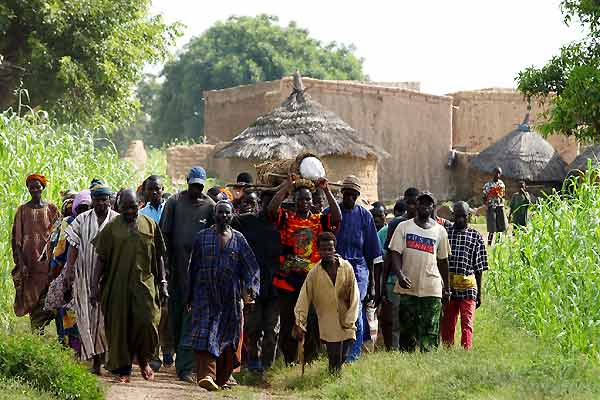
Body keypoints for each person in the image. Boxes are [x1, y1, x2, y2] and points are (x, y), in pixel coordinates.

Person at [91, 189, 168, 383]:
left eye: (133, 207)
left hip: (145, 284)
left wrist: (163, 282)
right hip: (117, 285)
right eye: (125, 208)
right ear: (119, 207)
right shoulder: (111, 228)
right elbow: (100, 259)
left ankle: (143, 359)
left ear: (139, 205)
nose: (130, 212)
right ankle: (123, 370)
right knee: (120, 328)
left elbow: (159, 256)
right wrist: (94, 287)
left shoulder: (150, 225)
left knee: (148, 321)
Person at [186, 200, 260, 391]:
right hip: (205, 293)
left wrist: (251, 288)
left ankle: (221, 378)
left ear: (232, 214)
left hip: (230, 298)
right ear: (214, 215)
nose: (223, 216)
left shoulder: (239, 239)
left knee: (228, 337)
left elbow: (251, 267)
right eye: (220, 213)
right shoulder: (202, 237)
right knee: (205, 333)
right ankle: (207, 375)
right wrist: (189, 296)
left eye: (227, 213)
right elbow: (193, 268)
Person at [267, 177, 341, 365]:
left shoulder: (319, 221)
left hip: (313, 282)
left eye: (308, 199)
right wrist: (286, 187)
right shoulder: (285, 218)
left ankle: (310, 360)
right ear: (294, 201)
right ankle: (290, 361)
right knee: (288, 323)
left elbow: (338, 217)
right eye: (300, 199)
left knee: (313, 323)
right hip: (288, 282)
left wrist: (326, 189)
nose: (304, 203)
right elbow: (271, 210)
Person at [160, 166, 215, 383]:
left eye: (200, 187)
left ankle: (185, 367)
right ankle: (172, 354)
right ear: (187, 182)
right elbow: (164, 237)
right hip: (177, 272)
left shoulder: (209, 206)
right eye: (193, 186)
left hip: (199, 276)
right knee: (174, 317)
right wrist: (165, 270)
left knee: (190, 320)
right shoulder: (174, 202)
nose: (196, 190)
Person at [325, 176, 382, 361]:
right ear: (341, 194)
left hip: (359, 270)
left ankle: (352, 355)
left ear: (357, 196)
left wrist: (372, 283)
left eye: (353, 195)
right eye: (346, 194)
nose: (349, 198)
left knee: (355, 311)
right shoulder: (331, 213)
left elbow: (371, 253)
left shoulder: (365, 216)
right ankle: (336, 351)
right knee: (336, 310)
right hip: (336, 269)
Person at [64, 180, 119, 374]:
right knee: (86, 318)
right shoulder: (82, 219)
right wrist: (69, 269)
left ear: (109, 201)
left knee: (105, 321)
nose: (101, 203)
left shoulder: (116, 221)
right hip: (84, 276)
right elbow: (73, 245)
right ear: (93, 201)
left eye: (104, 200)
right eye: (97, 200)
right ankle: (94, 362)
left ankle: (104, 362)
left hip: (110, 279)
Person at [388, 192, 450, 352]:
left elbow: (443, 261)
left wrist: (447, 288)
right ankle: (407, 366)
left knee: (430, 330)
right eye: (421, 203)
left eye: (428, 204)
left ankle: (427, 364)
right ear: (416, 206)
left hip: (432, 288)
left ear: (432, 208)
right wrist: (400, 275)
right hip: (408, 287)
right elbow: (394, 253)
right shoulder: (404, 227)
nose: (424, 206)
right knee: (407, 332)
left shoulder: (440, 231)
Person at [293, 232, 360, 374]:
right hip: (327, 321)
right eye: (323, 249)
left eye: (330, 249)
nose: (327, 252)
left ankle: (335, 378)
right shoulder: (314, 273)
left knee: (344, 355)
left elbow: (355, 294)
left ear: (334, 249)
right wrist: (300, 322)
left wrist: (351, 317)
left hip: (347, 318)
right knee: (334, 358)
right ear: (318, 251)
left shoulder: (346, 267)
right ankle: (332, 383)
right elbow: (304, 297)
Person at [232, 191, 281, 375]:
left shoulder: (282, 224)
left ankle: (268, 367)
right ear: (261, 203)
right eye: (268, 203)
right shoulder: (247, 221)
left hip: (275, 286)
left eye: (274, 204)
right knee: (253, 328)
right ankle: (252, 363)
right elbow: (225, 218)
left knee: (271, 330)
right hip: (253, 284)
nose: (271, 208)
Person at [11, 174, 60, 332]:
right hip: (29, 265)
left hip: (48, 263)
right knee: (31, 298)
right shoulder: (22, 211)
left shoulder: (51, 209)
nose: (34, 189)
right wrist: (21, 264)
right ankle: (36, 331)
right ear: (28, 189)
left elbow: (60, 234)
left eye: (37, 186)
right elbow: (17, 240)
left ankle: (46, 329)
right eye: (31, 187)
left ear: (42, 187)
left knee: (48, 295)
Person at [45, 189, 92, 352]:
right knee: (67, 311)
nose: (83, 212)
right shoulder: (66, 223)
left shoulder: (97, 222)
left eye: (87, 208)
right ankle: (71, 348)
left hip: (91, 273)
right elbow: (58, 249)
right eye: (80, 208)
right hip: (70, 273)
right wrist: (55, 271)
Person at [441, 202, 488, 350]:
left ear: (469, 216)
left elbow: (479, 268)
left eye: (464, 216)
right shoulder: (445, 233)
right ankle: (447, 350)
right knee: (448, 321)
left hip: (468, 288)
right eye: (457, 216)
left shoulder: (476, 237)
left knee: (467, 323)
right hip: (449, 287)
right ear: (453, 216)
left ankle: (466, 350)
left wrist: (479, 293)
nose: (460, 220)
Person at [139, 175, 173, 368]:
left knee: (167, 311)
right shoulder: (141, 214)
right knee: (152, 312)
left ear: (162, 189)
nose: (154, 192)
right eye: (150, 189)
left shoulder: (171, 209)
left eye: (157, 189)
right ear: (145, 192)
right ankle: (153, 354)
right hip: (149, 268)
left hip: (170, 267)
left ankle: (167, 348)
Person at [376, 198, 406, 350]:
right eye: (398, 213)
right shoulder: (384, 232)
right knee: (391, 320)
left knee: (403, 319)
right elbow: (382, 259)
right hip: (390, 281)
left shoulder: (410, 230)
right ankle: (392, 348)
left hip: (406, 281)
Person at [483, 166, 507, 245]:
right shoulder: (488, 185)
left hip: (500, 207)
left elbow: (503, 196)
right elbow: (484, 196)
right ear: (492, 173)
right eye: (496, 172)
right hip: (491, 207)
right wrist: (485, 206)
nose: (497, 174)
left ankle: (497, 243)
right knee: (491, 227)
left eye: (499, 173)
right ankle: (489, 243)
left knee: (500, 226)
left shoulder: (502, 184)